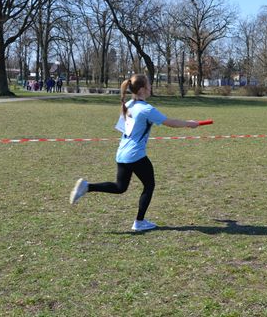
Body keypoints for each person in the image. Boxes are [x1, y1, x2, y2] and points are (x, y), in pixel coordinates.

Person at [69, 74, 200, 231]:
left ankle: (87, 187)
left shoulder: (128, 104)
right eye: (149, 84)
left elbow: (124, 129)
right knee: (149, 185)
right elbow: (170, 122)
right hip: (135, 155)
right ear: (143, 89)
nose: (151, 87)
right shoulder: (146, 109)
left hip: (122, 154)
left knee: (120, 187)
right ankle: (139, 222)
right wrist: (189, 123)